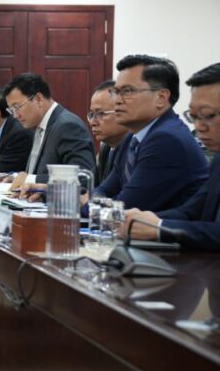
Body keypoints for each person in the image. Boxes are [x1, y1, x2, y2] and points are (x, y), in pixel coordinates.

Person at [125, 63, 220, 250]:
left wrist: (160, 228)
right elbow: (191, 211)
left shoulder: (167, 139)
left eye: (208, 115)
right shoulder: (218, 160)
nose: (198, 127)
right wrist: (143, 221)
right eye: (193, 116)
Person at [94, 55, 207, 211]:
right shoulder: (131, 138)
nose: (117, 101)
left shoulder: (167, 140)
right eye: (116, 92)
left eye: (127, 91)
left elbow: (125, 206)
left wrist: (88, 205)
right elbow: (104, 190)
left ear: (161, 98)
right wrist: (94, 203)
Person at [3, 72, 95, 183]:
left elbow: (82, 177)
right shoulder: (40, 126)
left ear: (38, 99)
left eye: (17, 107)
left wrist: (30, 179)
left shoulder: (67, 126)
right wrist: (16, 177)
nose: (15, 115)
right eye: (11, 110)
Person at [88, 80, 128, 182]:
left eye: (100, 114)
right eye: (92, 114)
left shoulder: (134, 150)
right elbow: (90, 184)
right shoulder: (106, 149)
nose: (92, 122)